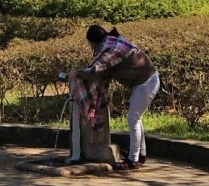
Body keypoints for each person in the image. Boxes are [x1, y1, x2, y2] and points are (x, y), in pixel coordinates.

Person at [68, 24, 159, 170]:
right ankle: (140, 154)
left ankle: (132, 160)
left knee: (133, 118)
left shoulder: (110, 50)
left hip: (147, 82)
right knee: (135, 117)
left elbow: (96, 71)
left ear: (94, 41)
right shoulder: (113, 41)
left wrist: (77, 73)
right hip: (146, 80)